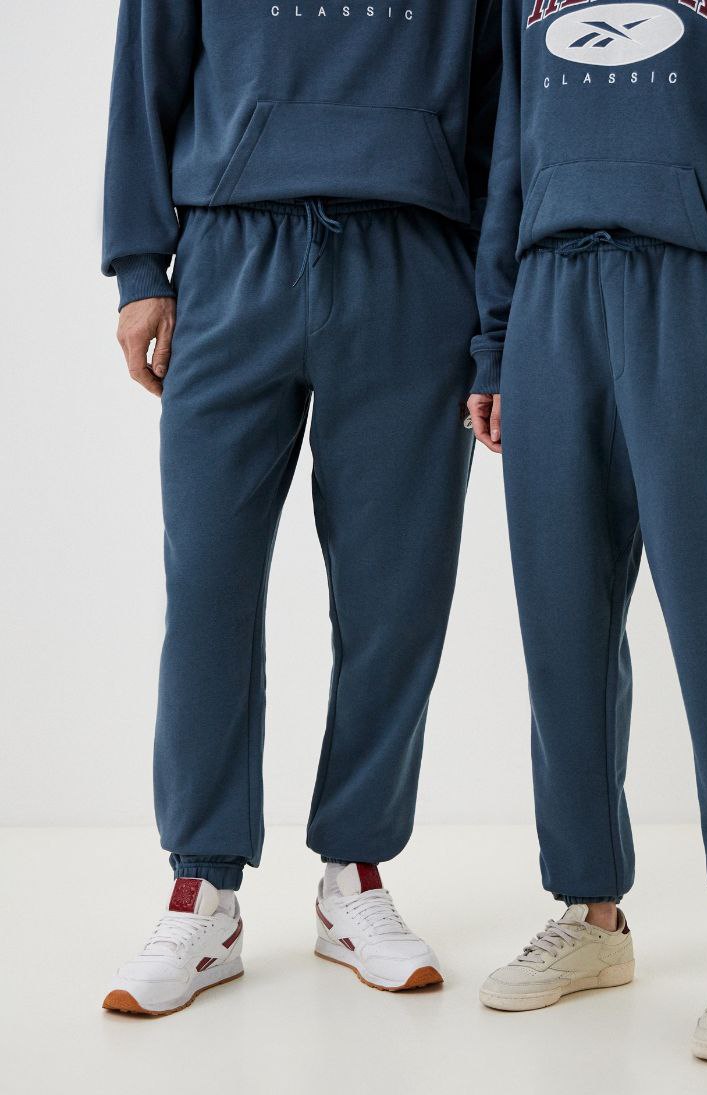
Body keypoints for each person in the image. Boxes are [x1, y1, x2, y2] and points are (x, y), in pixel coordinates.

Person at [467, 0, 707, 1061]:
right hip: (549, 298)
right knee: (561, 622)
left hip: (701, 293)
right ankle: (589, 910)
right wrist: (493, 339)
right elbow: (508, 151)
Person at [101, 0, 501, 1015]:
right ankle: (203, 890)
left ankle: (353, 876)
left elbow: (502, 113)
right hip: (231, 256)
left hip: (415, 259)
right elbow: (146, 77)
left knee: (394, 593)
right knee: (209, 586)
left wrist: (493, 318)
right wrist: (140, 267)